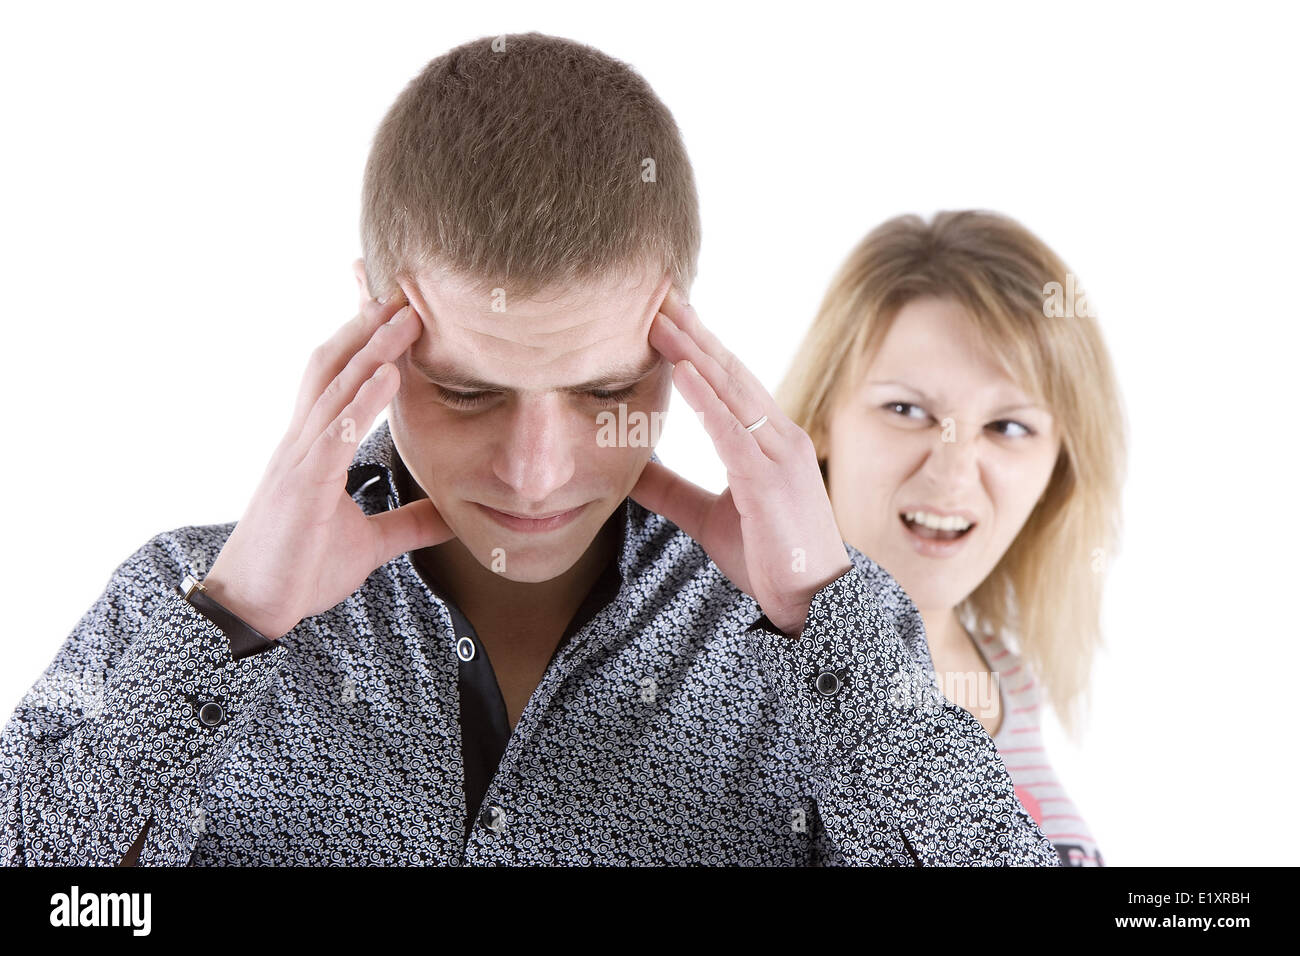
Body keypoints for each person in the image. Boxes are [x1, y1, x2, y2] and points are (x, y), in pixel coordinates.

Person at [0, 36, 1059, 866]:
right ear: (372, 321)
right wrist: (228, 624)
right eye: (468, 392)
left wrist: (824, 613)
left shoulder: (825, 653)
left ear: (677, 335)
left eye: (605, 390)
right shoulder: (171, 604)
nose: (537, 471)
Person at [776, 210, 1127, 866]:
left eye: (1009, 427)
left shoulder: (1008, 673)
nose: (952, 471)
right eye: (906, 410)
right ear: (821, 423)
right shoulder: (729, 678)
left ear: (1058, 468)